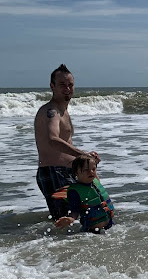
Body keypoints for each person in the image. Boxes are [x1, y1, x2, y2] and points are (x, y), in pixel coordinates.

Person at [34, 64, 100, 219]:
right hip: (54, 173)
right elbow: (53, 140)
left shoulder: (63, 111)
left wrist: (84, 162)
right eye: (62, 85)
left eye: (70, 85)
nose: (67, 89)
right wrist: (83, 154)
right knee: (66, 221)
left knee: (89, 216)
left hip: (69, 172)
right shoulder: (51, 112)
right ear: (52, 86)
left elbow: (65, 143)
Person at [54, 154, 114, 233]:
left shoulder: (95, 181)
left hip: (110, 227)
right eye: (86, 170)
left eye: (93, 169)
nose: (91, 172)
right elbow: (74, 210)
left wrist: (93, 159)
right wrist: (71, 219)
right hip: (92, 232)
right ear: (76, 173)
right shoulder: (74, 192)